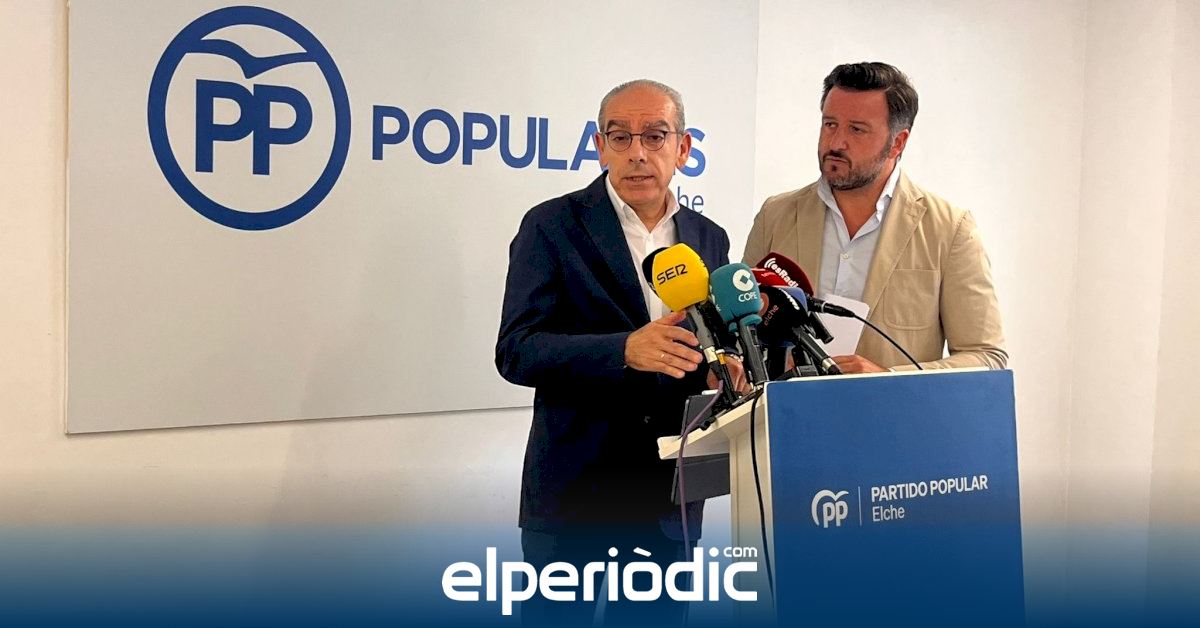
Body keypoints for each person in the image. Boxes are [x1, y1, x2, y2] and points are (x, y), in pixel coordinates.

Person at [495, 79, 736, 625]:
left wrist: (723, 366)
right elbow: (517, 350)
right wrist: (624, 350)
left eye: (654, 135)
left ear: (683, 148)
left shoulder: (708, 237)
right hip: (574, 495)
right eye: (620, 137)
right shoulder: (551, 226)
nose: (637, 153)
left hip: (669, 501)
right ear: (599, 146)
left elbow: (710, 340)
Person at [743, 62, 1007, 372]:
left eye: (856, 129)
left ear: (898, 142)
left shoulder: (950, 230)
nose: (836, 143)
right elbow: (738, 329)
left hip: (891, 405)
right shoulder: (775, 216)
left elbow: (986, 357)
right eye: (830, 124)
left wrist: (887, 379)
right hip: (787, 403)